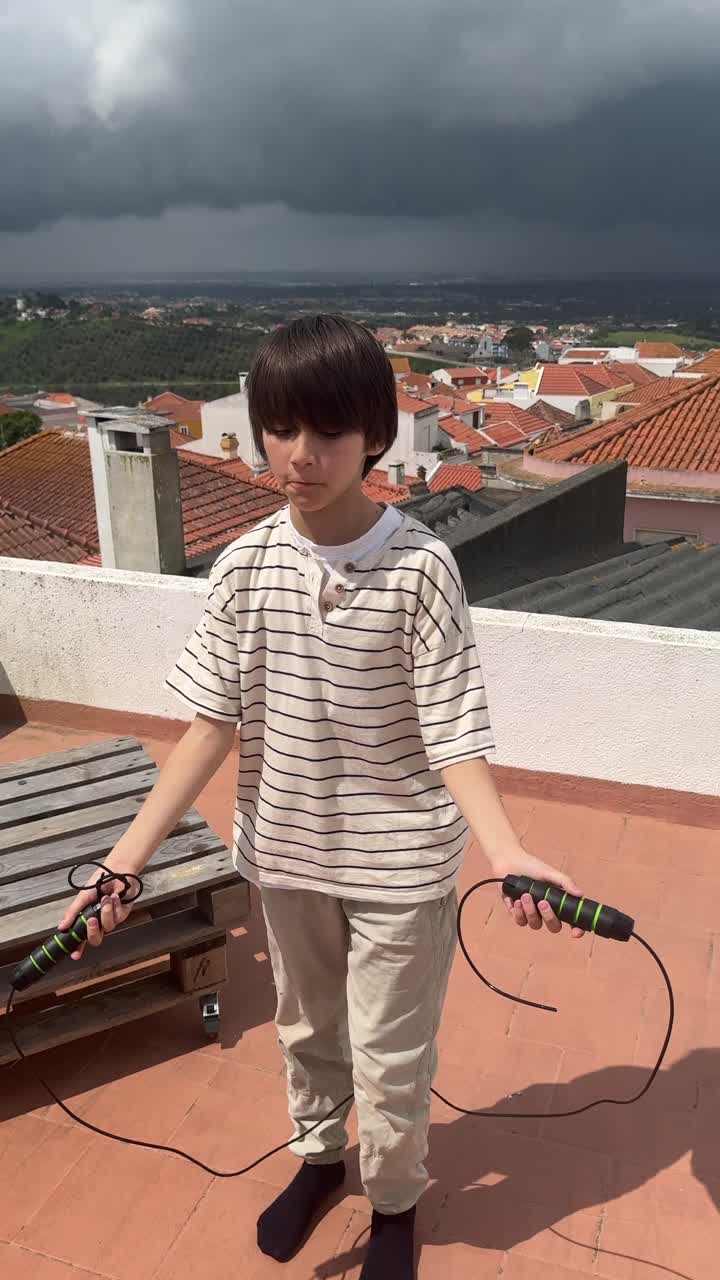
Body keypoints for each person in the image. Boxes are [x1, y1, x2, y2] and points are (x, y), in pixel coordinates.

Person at [59, 315, 585, 1279]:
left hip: (401, 870)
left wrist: (504, 848)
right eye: (282, 429)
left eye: (329, 433)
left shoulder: (423, 569)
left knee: (389, 1057)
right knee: (307, 1033)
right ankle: (318, 1159)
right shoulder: (242, 568)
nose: (302, 456)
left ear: (374, 436)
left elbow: (453, 731)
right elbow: (211, 725)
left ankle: (393, 1203)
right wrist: (122, 862)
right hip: (288, 858)